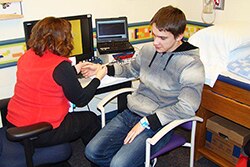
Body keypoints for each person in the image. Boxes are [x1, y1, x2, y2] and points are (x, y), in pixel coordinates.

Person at [82, 5, 205, 167]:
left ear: (179, 35)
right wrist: (103, 69)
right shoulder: (148, 50)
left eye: (162, 38)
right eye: (153, 35)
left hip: (159, 123)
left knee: (119, 164)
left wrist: (147, 122)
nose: (155, 42)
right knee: (92, 152)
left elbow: (187, 107)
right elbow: (130, 69)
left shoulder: (192, 65)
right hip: (131, 114)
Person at [6, 17, 107, 148]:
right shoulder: (60, 66)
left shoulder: (27, 56)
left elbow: (43, 76)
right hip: (40, 131)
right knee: (90, 119)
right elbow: (81, 100)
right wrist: (98, 78)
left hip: (14, 125)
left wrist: (74, 69)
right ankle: (99, 158)